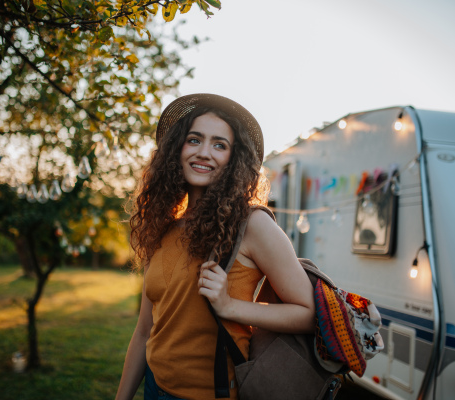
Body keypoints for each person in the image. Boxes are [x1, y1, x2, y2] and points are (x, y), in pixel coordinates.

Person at [115, 94, 315, 400]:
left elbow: (307, 313)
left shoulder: (252, 225)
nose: (204, 153)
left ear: (234, 159)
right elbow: (145, 331)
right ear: (176, 149)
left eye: (220, 145)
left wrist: (230, 306)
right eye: (194, 140)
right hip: (154, 388)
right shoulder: (164, 227)